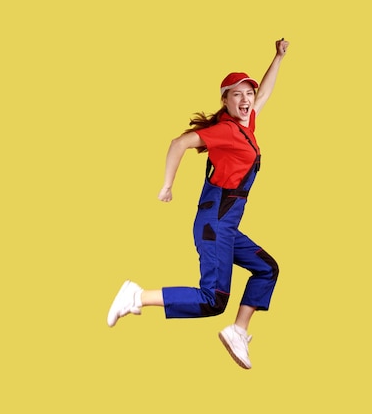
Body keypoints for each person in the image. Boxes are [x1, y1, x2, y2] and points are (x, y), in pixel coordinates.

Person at [107, 38, 290, 369]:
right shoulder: (226, 130)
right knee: (214, 300)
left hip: (225, 224)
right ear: (225, 100)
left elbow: (264, 94)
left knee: (267, 268)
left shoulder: (245, 124)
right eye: (238, 94)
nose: (247, 99)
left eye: (247, 93)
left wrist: (277, 57)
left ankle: (238, 330)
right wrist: (167, 185)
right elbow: (180, 143)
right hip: (215, 224)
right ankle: (137, 296)